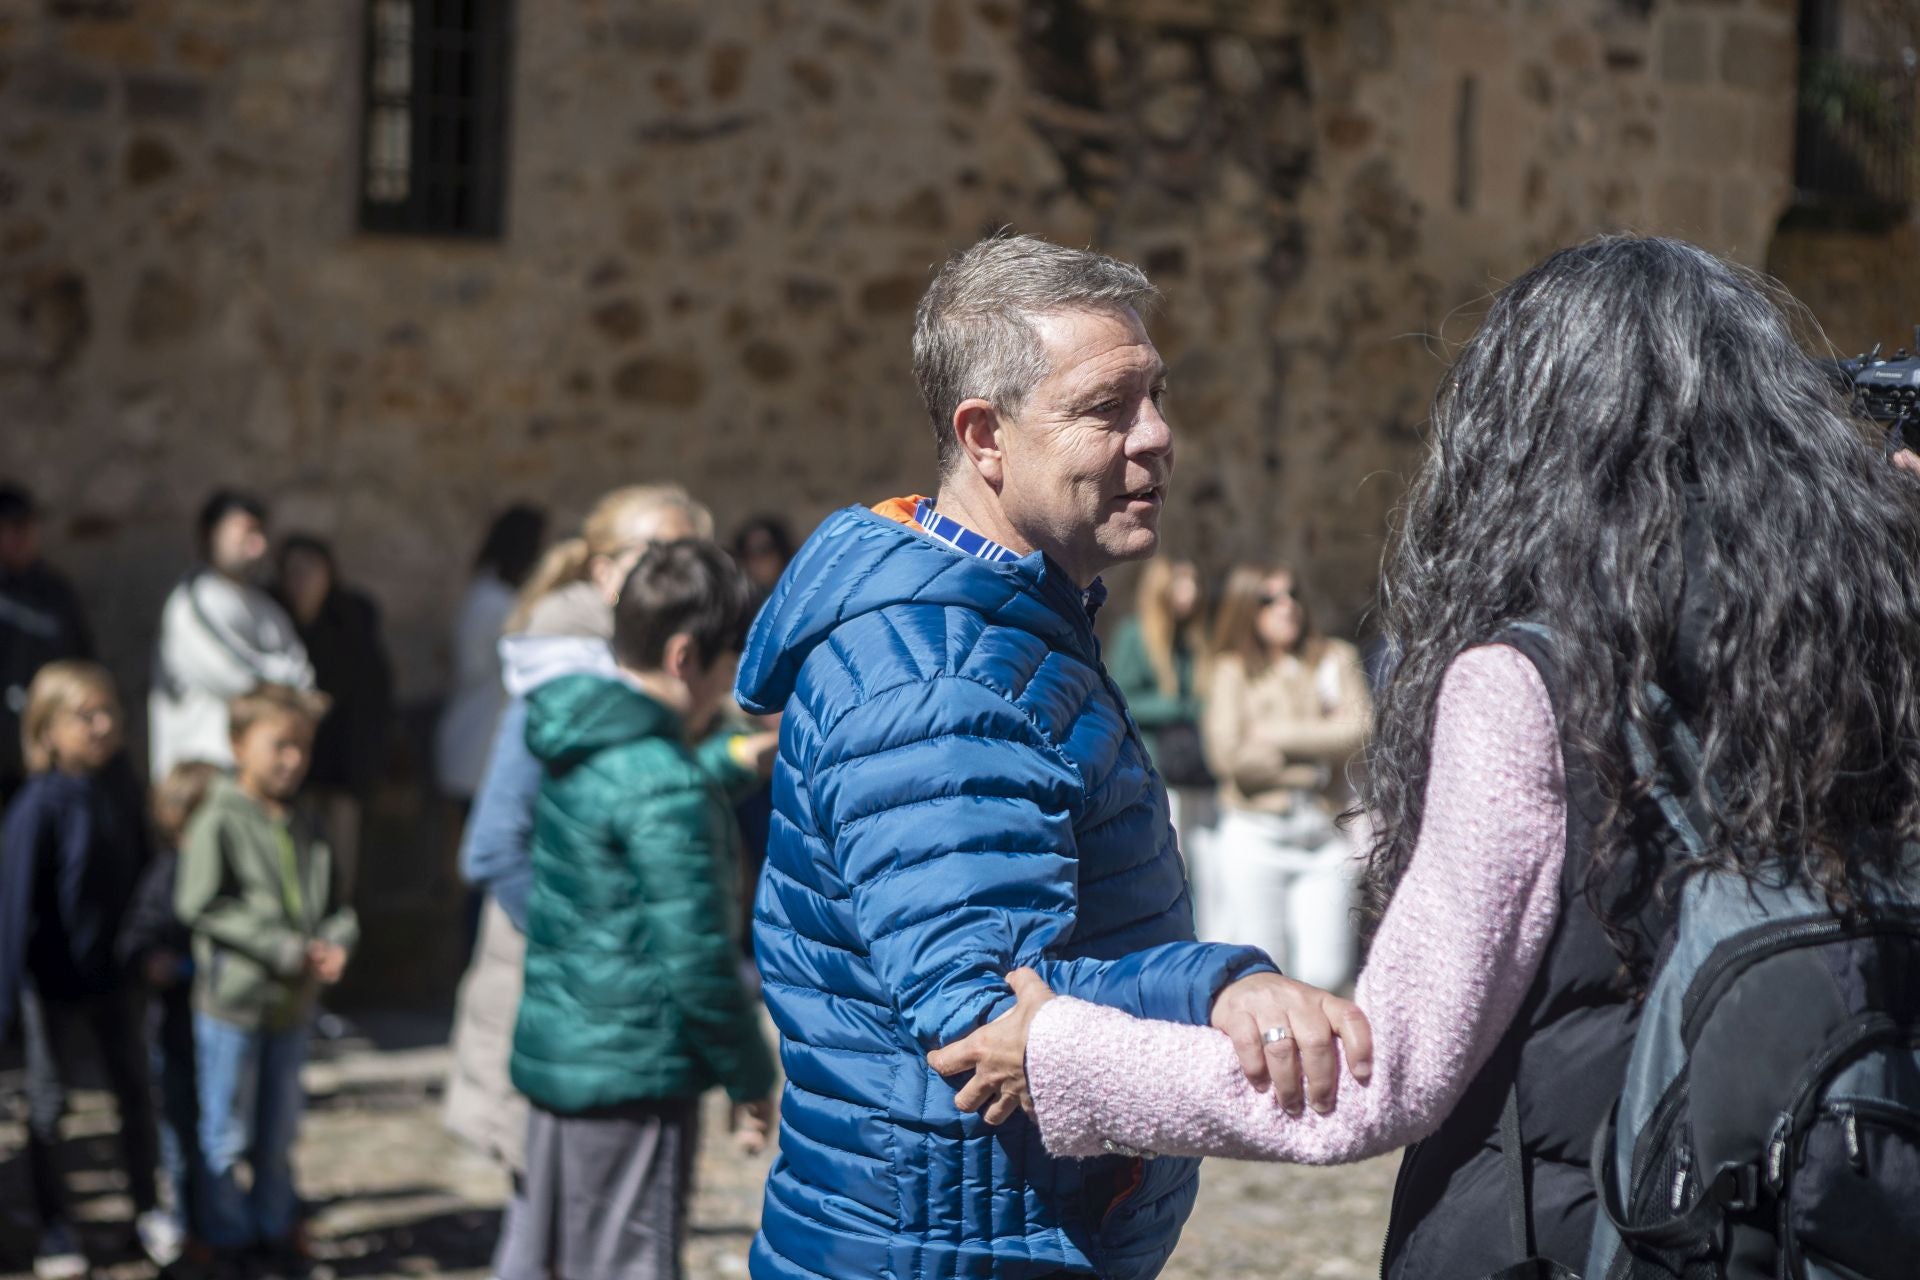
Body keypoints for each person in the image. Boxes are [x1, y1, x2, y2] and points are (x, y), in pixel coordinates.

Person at [927, 236, 1920, 1277]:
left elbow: (1382, 1078)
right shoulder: (1865, 650)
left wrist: (1064, 1057)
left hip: (1576, 1235)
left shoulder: (1529, 684)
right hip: (1803, 1212)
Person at [737, 233, 1370, 1280]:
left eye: (1156, 396)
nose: (1157, 435)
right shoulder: (937, 678)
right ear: (985, 435)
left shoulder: (1013, 629)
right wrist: (1219, 987)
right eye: (1107, 408)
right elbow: (988, 1010)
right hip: (945, 1246)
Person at [442, 485, 772, 1270]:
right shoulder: (656, 776)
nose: (734, 686)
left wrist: (726, 762)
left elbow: (634, 806)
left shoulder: (585, 730)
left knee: (552, 1256)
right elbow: (697, 958)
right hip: (633, 1064)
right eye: (730, 666)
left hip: (566, 1051)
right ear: (686, 658)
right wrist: (751, 1074)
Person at [175, 684, 357, 1277]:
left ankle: (274, 1231)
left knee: (278, 1134)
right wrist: (278, 947)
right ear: (238, 745)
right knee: (225, 1133)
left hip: (292, 1008)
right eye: (279, 745)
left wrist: (337, 941)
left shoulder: (307, 822)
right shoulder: (220, 816)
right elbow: (198, 903)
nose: (293, 760)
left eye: (302, 747)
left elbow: (337, 905)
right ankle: (227, 1238)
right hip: (234, 1006)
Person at [0, 662, 170, 1277]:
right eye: (85, 715)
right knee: (49, 1104)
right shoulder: (36, 807)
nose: (102, 726)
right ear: (47, 728)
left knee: (135, 1093)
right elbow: (15, 909)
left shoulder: (120, 792)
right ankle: (54, 1225)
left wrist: (152, 945)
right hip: (52, 984)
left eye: (109, 712)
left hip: (115, 977)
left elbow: (147, 877)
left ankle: (148, 1209)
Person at [1198, 564, 1370, 990]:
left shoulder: (1334, 657)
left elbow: (1360, 729)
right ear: (1246, 609)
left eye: (1292, 594)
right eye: (1269, 599)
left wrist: (1275, 735)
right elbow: (1228, 757)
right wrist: (1313, 765)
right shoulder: (1231, 669)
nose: (1286, 606)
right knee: (1267, 971)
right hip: (1256, 835)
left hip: (1322, 833)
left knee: (1326, 972)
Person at [118, 760, 222, 1260]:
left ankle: (219, 1221)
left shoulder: (227, 873)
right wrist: (157, 963)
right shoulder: (166, 875)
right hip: (176, 1031)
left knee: (219, 1134)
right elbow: (135, 941)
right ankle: (189, 1227)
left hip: (221, 1029)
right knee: (181, 1136)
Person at [150, 491, 314, 780]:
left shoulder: (266, 608)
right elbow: (231, 675)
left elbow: (302, 671)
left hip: (252, 776)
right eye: (246, 531)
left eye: (261, 533)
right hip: (200, 770)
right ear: (211, 533)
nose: (258, 545)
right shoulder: (192, 601)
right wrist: (283, 686)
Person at [273, 534, 393, 901]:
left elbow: (371, 697)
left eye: (311, 570)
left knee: (339, 860)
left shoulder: (352, 623)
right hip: (291, 767)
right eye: (293, 572)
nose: (302, 581)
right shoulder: (274, 623)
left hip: (342, 764)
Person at [1104, 556, 1216, 910]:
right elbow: (1122, 696)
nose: (1191, 591)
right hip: (1159, 765)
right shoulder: (1135, 634)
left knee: (1206, 868)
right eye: (1182, 582)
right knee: (1173, 863)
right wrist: (1180, 708)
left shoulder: (1195, 640)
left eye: (1194, 582)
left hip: (1197, 770)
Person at [433, 504, 546, 815]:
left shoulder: (494, 597)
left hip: (485, 742)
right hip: (477, 740)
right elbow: (470, 665)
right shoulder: (492, 601)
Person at [0, 484, 94, 808]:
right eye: (12, 528)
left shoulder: (55, 592)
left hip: (49, 745)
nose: (22, 538)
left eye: (27, 527)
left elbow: (82, 664)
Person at [730, 515, 795, 600]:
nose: (755, 560)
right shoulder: (736, 600)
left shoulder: (798, 597)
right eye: (747, 553)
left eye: (764, 550)